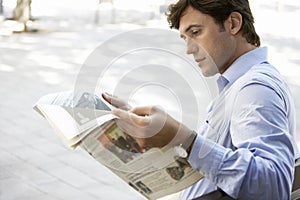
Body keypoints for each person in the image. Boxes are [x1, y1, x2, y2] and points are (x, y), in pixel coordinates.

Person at [102, 0, 300, 199]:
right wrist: (157, 131)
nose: (189, 49)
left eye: (196, 32)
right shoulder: (238, 83)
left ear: (233, 23)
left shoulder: (254, 89)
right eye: (184, 38)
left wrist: (185, 139)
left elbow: (274, 185)